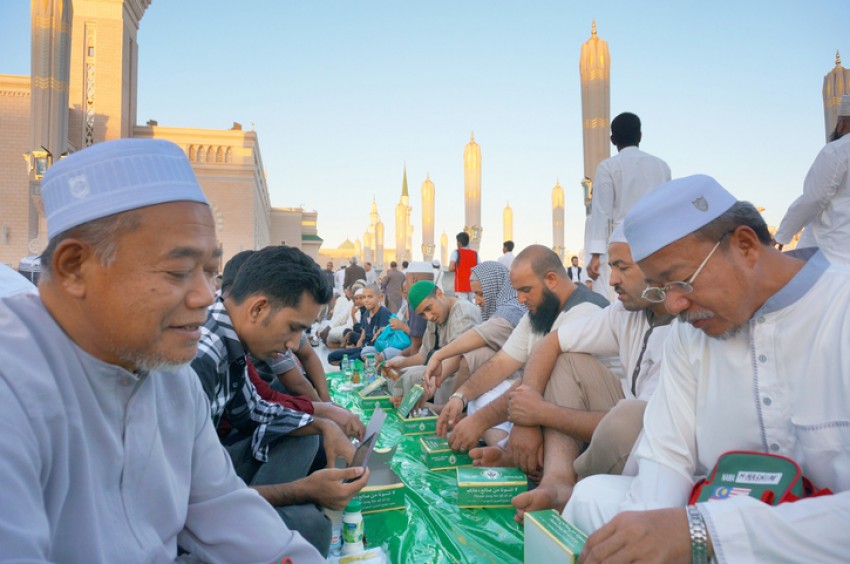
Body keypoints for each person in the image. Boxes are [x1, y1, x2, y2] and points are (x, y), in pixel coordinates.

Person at [0, 138, 320, 561]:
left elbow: (226, 512)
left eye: (210, 271)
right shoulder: (14, 386)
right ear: (74, 266)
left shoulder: (172, 379)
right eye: (177, 271)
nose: (206, 296)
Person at [566, 174, 850, 563]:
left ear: (746, 246)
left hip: (813, 541)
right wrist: (651, 538)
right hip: (715, 522)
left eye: (681, 281)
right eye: (660, 289)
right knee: (592, 497)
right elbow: (665, 458)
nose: (675, 305)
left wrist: (706, 531)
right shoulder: (690, 334)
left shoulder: (841, 309)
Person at [192, 245, 368, 556]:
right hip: (187, 506)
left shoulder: (229, 341)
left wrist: (324, 424)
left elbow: (256, 411)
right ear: (258, 309)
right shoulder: (200, 356)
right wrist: (299, 490)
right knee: (312, 527)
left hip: (206, 476)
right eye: (293, 329)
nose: (291, 344)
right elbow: (185, 498)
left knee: (304, 436)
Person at [507, 225, 674, 521]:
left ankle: (571, 480)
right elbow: (551, 343)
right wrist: (525, 416)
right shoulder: (625, 312)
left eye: (622, 268)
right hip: (619, 425)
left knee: (630, 418)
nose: (613, 280)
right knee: (565, 358)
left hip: (657, 446)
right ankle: (556, 482)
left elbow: (652, 426)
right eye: (611, 267)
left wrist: (538, 413)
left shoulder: (689, 327)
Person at [440, 246, 609, 457]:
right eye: (517, 290)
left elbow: (548, 378)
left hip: (595, 416)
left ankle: (543, 466)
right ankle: (508, 449)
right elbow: (501, 363)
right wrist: (460, 397)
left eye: (526, 290)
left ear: (551, 279)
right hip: (542, 402)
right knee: (482, 392)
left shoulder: (585, 310)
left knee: (555, 368)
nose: (520, 299)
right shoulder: (539, 310)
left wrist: (480, 421)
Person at [430, 261, 526, 446]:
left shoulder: (513, 309)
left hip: (521, 377)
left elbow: (480, 335)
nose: (477, 300)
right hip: (508, 372)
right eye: (475, 294)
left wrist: (438, 355)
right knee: (470, 356)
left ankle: (500, 454)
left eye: (481, 294)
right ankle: (456, 407)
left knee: (480, 400)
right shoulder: (501, 308)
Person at [586, 112, 671, 296]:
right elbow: (666, 210)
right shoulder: (661, 166)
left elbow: (602, 213)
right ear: (640, 136)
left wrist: (595, 255)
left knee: (622, 299)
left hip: (621, 242)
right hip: (655, 242)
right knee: (655, 294)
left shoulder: (608, 167)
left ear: (612, 139)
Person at [774, 94, 850, 265]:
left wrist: (782, 235)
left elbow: (814, 198)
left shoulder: (837, 150)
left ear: (842, 124)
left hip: (830, 255)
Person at [386, 279, 481, 405]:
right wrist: (401, 363)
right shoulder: (434, 318)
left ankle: (417, 414)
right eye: (423, 315)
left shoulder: (463, 313)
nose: (429, 317)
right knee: (400, 373)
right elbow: (422, 356)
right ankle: (403, 408)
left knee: (412, 378)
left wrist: (432, 381)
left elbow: (456, 357)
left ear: (439, 294)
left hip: (462, 373)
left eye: (429, 308)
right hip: (442, 368)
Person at [327, 284, 391, 365]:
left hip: (374, 351)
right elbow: (362, 337)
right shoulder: (366, 313)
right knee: (331, 357)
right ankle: (354, 366)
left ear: (380, 297)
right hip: (363, 348)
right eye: (364, 297)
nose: (366, 300)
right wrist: (355, 349)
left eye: (370, 297)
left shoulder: (384, 313)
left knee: (345, 364)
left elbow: (384, 339)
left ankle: (361, 367)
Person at [449, 231, 479, 301]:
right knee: (474, 307)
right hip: (473, 286)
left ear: (459, 243)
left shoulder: (456, 252)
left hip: (460, 286)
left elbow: (451, 268)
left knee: (462, 307)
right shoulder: (475, 254)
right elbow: (480, 268)